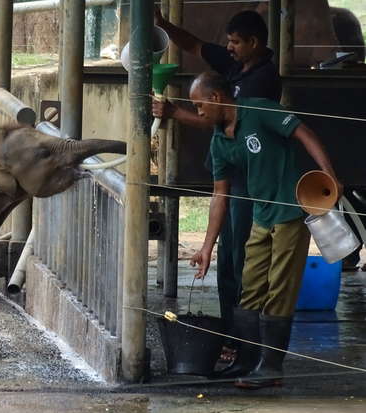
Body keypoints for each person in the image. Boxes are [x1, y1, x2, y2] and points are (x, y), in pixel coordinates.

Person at [188, 72, 341, 389]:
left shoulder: (260, 110)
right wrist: (206, 247)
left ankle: (271, 367)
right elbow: (220, 194)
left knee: (279, 289)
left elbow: (304, 133)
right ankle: (248, 360)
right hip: (261, 215)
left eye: (198, 104)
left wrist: (329, 175)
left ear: (216, 97)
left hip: (289, 211)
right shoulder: (219, 140)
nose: (198, 112)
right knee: (250, 287)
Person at [152, 9, 281, 364]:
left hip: (249, 178)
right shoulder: (236, 64)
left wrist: (176, 113)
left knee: (240, 260)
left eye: (236, 42)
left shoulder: (262, 80)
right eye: (229, 41)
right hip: (229, 175)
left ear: (253, 43)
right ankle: (231, 333)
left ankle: (243, 341)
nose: (230, 47)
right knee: (227, 258)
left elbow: (218, 117)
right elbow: (194, 44)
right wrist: (163, 26)